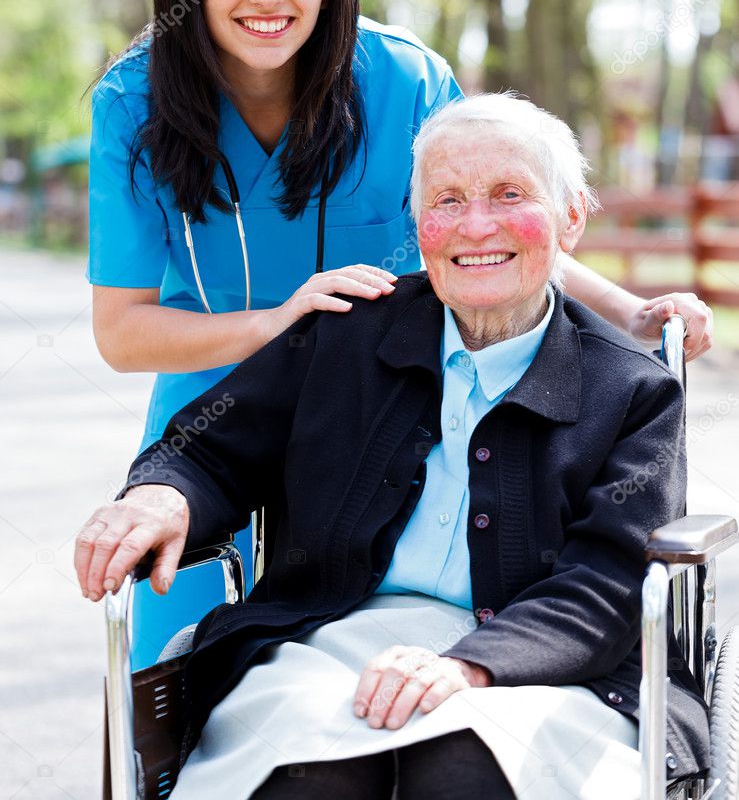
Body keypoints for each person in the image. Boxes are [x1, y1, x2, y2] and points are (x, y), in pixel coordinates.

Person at [76, 94, 709, 800]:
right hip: (330, 636)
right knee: (314, 779)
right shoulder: (347, 333)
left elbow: (607, 582)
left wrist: (470, 665)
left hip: (556, 668)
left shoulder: (631, 390)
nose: (476, 225)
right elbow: (211, 447)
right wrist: (163, 492)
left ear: (570, 216)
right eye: (447, 198)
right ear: (419, 224)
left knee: (461, 777)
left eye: (509, 194)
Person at [88, 0, 712, 462]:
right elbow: (121, 333)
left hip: (387, 426)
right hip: (209, 437)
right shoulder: (131, 102)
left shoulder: (406, 80)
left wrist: (632, 316)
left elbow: (487, 234)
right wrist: (278, 324)